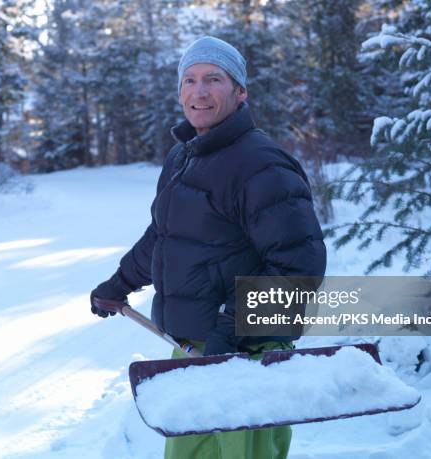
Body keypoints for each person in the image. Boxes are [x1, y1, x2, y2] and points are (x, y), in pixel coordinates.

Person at [91, 36, 326, 459]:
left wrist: (229, 330)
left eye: (213, 79)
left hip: (246, 358)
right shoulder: (183, 157)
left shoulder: (262, 164)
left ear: (240, 91)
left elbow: (299, 267)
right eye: (190, 79)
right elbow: (165, 236)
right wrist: (120, 282)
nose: (199, 91)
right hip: (193, 349)